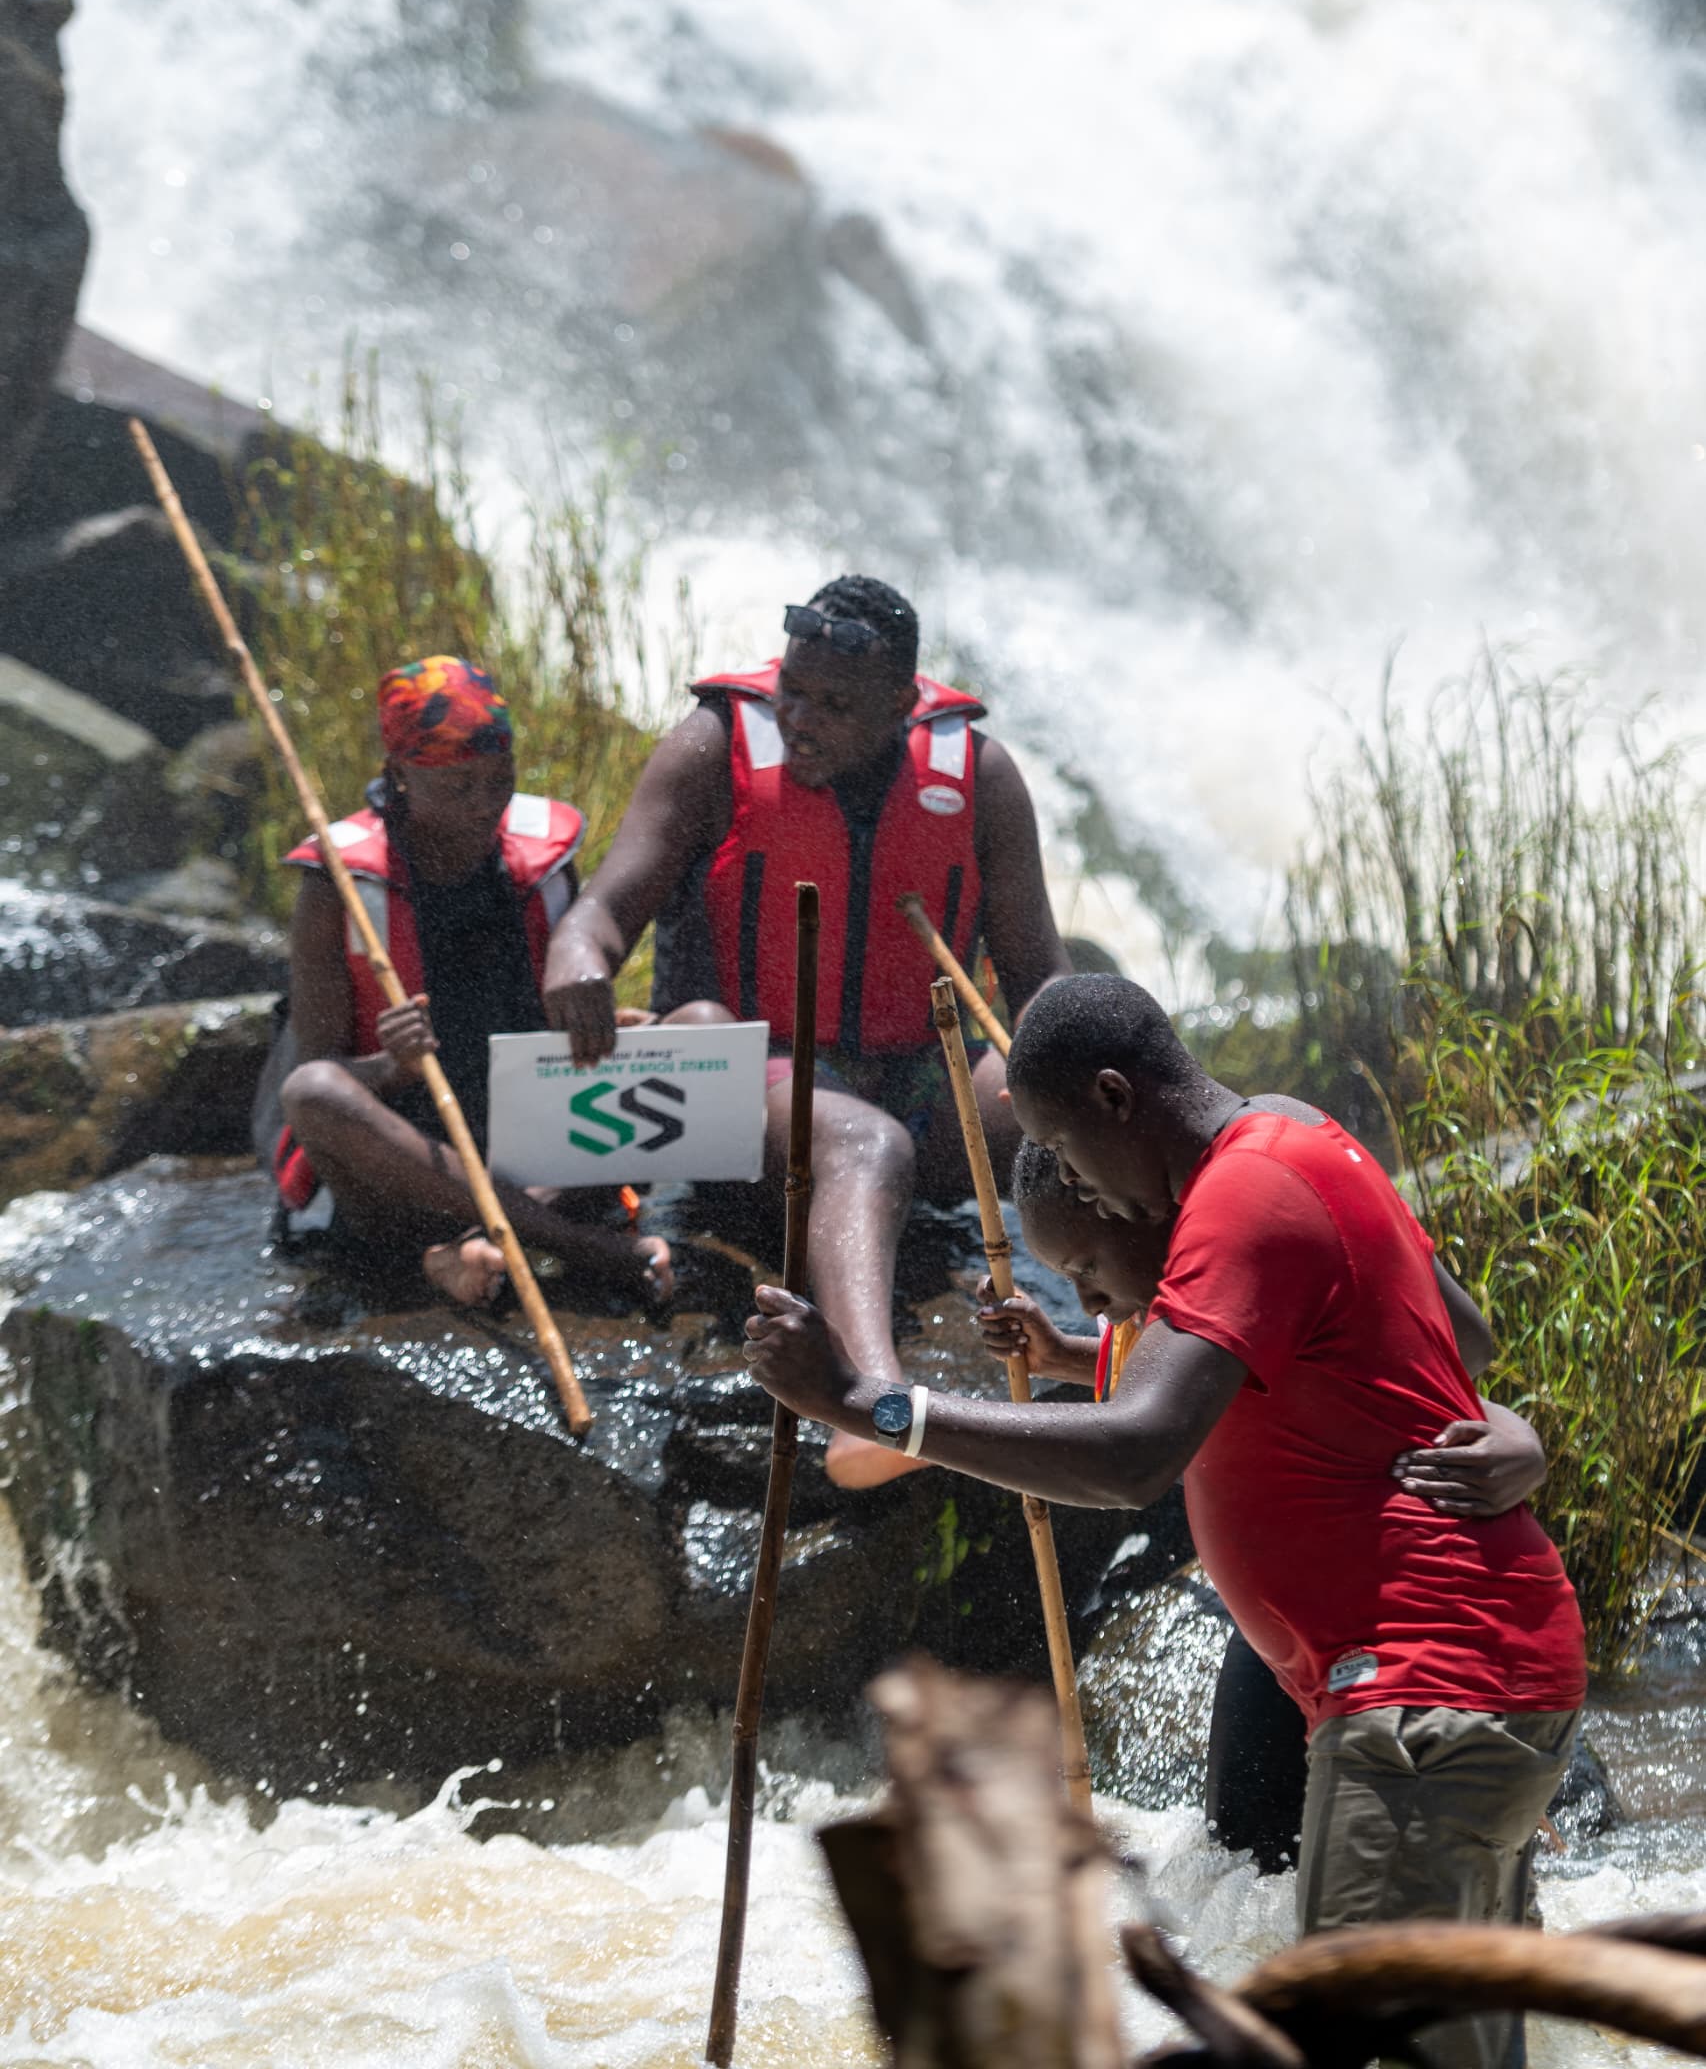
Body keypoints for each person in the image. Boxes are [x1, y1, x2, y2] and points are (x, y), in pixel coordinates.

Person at [747, 974, 1586, 2069]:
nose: (1082, 1187)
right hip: (1443, 1677)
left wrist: (872, 1405)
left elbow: (1135, 1453)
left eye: (1062, 1146)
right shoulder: (1298, 1136)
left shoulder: (1242, 1192)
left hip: (1421, 1686)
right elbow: (1451, 1342)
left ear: (1111, 1098)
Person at [545, 574, 1072, 1486]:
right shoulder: (711, 747)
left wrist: (1063, 1068)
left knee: (1064, 1100)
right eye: (793, 688)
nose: (800, 715)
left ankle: (1141, 1338)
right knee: (868, 1145)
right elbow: (599, 912)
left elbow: (1040, 977)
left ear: (902, 705)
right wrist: (578, 960)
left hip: (918, 1068)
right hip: (757, 1081)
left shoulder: (978, 777)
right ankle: (872, 1406)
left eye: (834, 703)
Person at [983, 1135, 1555, 1879]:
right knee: (1243, 1873)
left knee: (1444, 1884)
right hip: (1281, 1636)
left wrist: (1517, 1434)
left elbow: (1424, 1377)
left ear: (1139, 1203)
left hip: (1393, 1619)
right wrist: (1059, 1354)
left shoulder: (1259, 1254)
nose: (1087, 1298)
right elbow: (1166, 1387)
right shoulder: (1148, 1319)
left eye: (1088, 1266)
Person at [262, 654, 675, 1310]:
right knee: (315, 1093)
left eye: (500, 780)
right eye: (458, 788)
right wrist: (390, 1067)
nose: (485, 805)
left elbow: (553, 1018)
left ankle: (472, 1249)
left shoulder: (545, 854)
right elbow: (318, 1070)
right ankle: (580, 1248)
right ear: (400, 776)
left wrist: (604, 1021)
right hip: (409, 1170)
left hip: (539, 1148)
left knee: (700, 1024)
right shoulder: (335, 884)